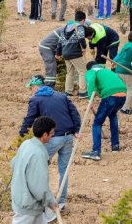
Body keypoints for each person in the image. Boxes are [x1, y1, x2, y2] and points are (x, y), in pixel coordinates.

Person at [18, 76, 80, 211]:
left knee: (40, 169)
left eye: (31, 88)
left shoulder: (36, 99)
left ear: (35, 87)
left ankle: (43, 201)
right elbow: (74, 112)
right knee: (64, 170)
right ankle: (61, 201)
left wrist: (21, 135)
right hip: (68, 137)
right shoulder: (61, 96)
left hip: (51, 138)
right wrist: (76, 130)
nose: (31, 91)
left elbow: (29, 119)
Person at [11, 116, 59, 223]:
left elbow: (14, 164)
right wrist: (51, 202)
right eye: (51, 133)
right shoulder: (38, 154)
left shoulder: (26, 144)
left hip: (25, 200)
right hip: (28, 205)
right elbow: (39, 186)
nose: (52, 136)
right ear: (44, 135)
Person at [81, 62, 127, 161]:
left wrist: (90, 100)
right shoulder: (106, 71)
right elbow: (101, 89)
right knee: (112, 116)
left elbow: (91, 82)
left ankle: (95, 151)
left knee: (97, 123)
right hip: (123, 95)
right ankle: (115, 146)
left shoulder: (92, 71)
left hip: (110, 95)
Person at [57, 13, 88, 98]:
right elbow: (81, 38)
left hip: (66, 53)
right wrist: (84, 47)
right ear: (83, 20)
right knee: (82, 72)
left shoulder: (65, 27)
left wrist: (58, 53)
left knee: (70, 73)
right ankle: (83, 92)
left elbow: (60, 41)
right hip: (75, 53)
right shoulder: (79, 27)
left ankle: (68, 91)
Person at [113, 31, 132, 114]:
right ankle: (125, 108)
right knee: (131, 88)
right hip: (126, 71)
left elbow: (118, 56)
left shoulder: (125, 46)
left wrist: (113, 62)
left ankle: (117, 105)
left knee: (122, 88)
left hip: (118, 69)